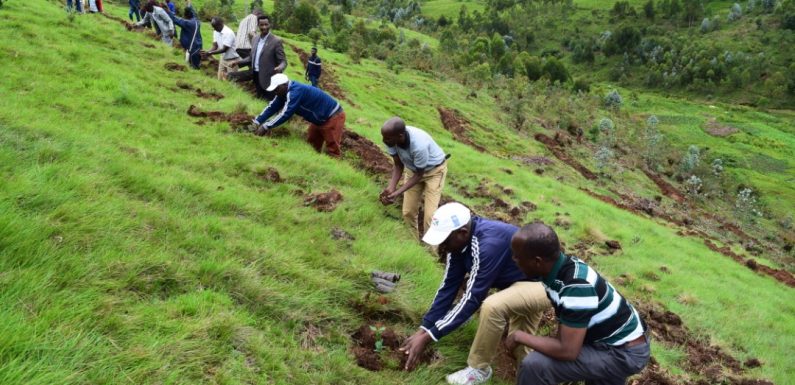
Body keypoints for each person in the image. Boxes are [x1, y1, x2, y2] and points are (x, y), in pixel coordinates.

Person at [399, 203, 550, 385]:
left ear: (462, 232)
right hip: (521, 284)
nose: (442, 245)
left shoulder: (487, 245)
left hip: (546, 285)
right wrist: (424, 328)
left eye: (445, 240)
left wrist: (429, 337)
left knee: (493, 306)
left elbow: (472, 297)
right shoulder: (458, 246)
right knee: (521, 350)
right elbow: (448, 288)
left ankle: (479, 369)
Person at [508, 223, 650, 385]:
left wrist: (520, 336)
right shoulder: (558, 270)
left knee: (535, 365)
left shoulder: (576, 287)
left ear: (537, 261)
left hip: (623, 352)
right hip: (611, 341)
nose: (514, 260)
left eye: (518, 256)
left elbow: (568, 351)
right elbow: (565, 325)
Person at [380, 117, 448, 241]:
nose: (384, 140)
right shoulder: (391, 140)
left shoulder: (418, 145)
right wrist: (391, 188)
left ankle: (431, 254)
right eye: (384, 137)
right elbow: (398, 165)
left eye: (387, 138)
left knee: (429, 217)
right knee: (408, 212)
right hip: (412, 170)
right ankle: (413, 245)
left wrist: (397, 193)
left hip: (434, 172)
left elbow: (419, 175)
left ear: (400, 135)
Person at [251, 73, 345, 157]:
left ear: (284, 85)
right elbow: (272, 107)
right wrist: (257, 121)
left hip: (333, 116)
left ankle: (334, 168)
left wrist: (266, 126)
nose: (275, 92)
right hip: (319, 119)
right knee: (312, 145)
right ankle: (315, 163)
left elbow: (286, 113)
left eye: (276, 89)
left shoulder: (295, 92)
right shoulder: (282, 93)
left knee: (332, 147)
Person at [235, 15, 287, 100]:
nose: (264, 27)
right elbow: (252, 57)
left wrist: (280, 68)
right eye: (261, 25)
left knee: (270, 100)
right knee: (259, 98)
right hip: (256, 75)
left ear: (269, 24)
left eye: (266, 24)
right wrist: (238, 63)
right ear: (258, 26)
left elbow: (283, 61)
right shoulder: (255, 39)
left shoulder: (276, 41)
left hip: (270, 77)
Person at [166, 3, 202, 69]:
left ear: (186, 15)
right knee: (194, 64)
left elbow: (175, 19)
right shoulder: (196, 21)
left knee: (193, 66)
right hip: (197, 46)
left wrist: (168, 11)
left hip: (192, 49)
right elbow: (192, 12)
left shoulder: (188, 23)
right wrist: (188, 4)